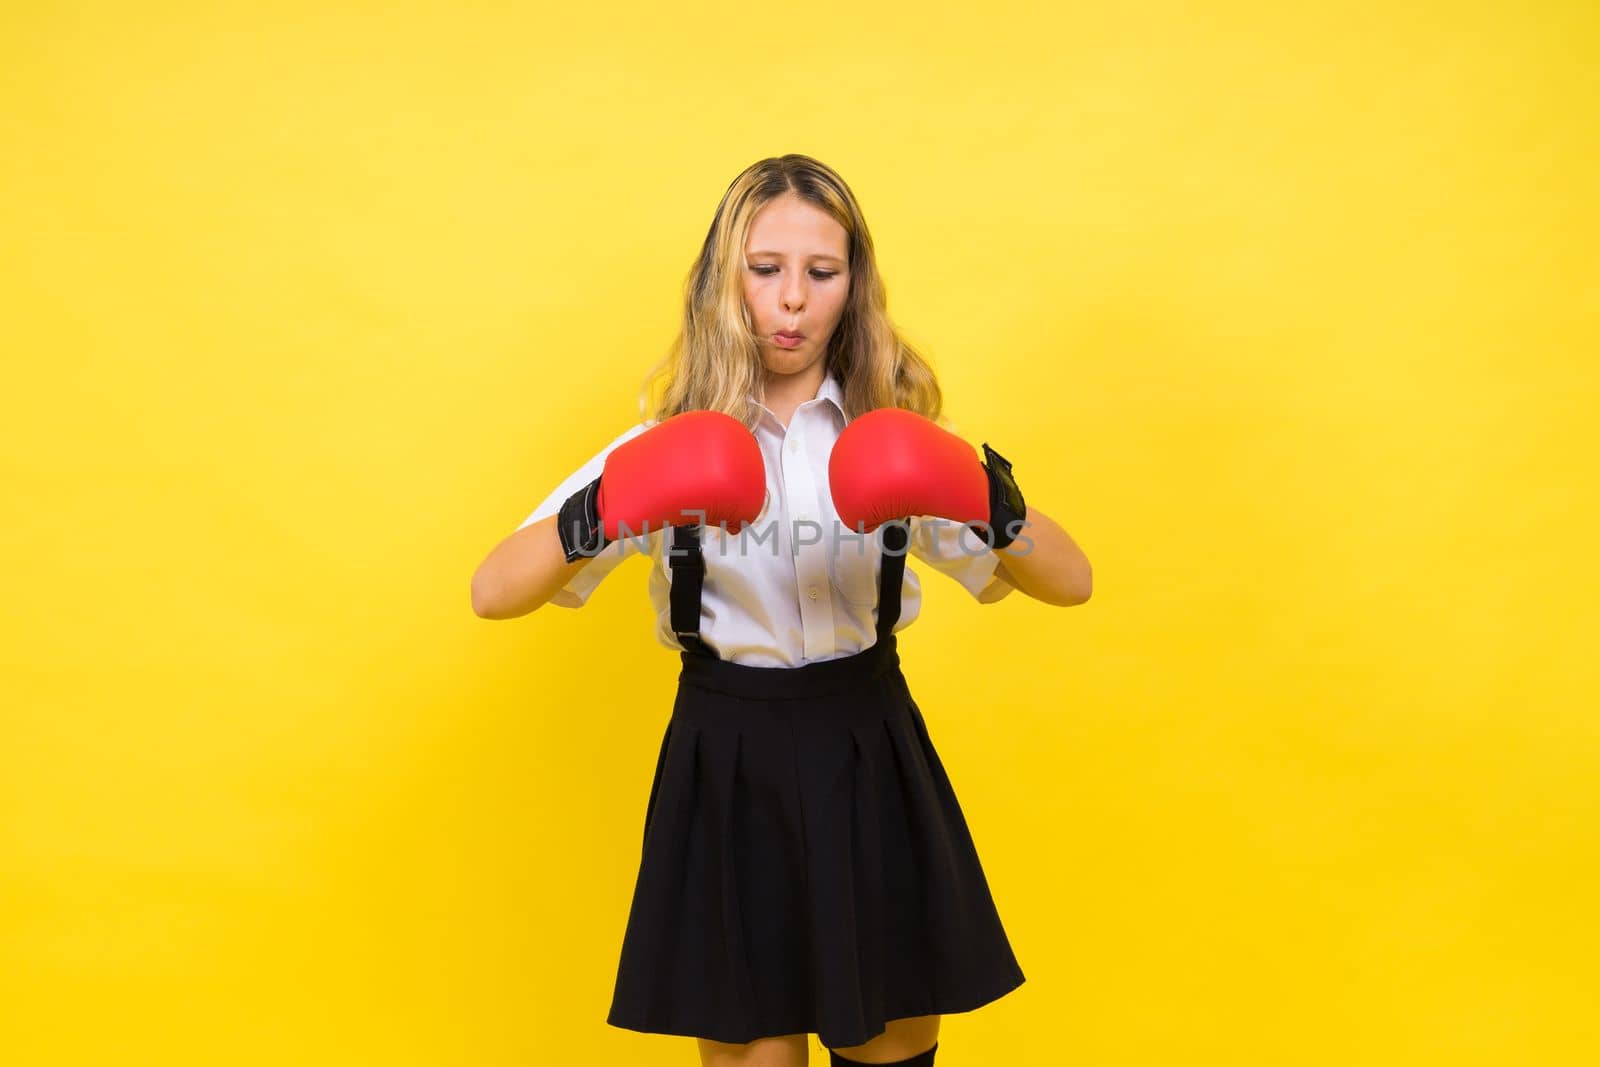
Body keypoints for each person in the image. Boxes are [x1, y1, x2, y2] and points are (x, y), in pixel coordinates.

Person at [472, 154, 1093, 1067]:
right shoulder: (664, 443)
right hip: (727, 761)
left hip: (867, 746)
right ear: (725, 280)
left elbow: (1068, 578)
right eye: (765, 270)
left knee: (893, 1047)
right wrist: (605, 506)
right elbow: (493, 591)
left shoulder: (890, 434)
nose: (791, 299)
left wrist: (980, 494)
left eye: (821, 271)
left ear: (855, 286)